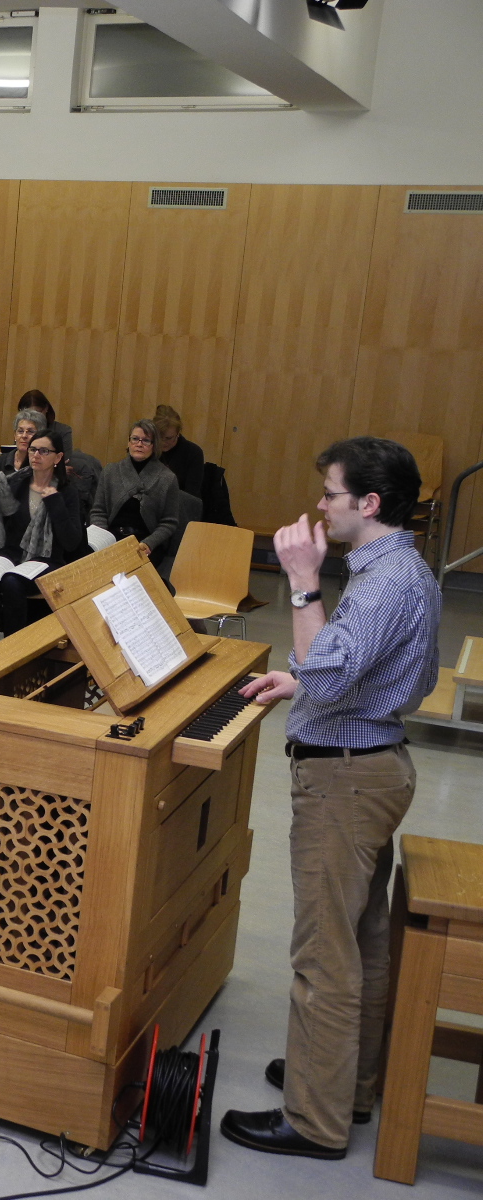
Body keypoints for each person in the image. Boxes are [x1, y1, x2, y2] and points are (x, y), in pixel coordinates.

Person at [221, 437, 440, 1162]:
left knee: (324, 952)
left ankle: (314, 1120)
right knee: (362, 938)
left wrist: (302, 583)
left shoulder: (383, 581)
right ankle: (347, 1085)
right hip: (373, 762)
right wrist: (301, 683)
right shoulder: (403, 567)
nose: (320, 506)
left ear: (368, 503)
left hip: (346, 781)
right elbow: (368, 671)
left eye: (330, 494)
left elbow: (332, 669)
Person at [0, 429, 86, 655]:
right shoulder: (16, 484)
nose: (36, 455)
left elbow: (71, 542)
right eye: (33, 450)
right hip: (12, 555)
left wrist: (55, 503)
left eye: (44, 451)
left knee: (12, 582)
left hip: (47, 560)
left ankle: (14, 656)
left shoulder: (67, 492)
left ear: (58, 457)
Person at [89, 419, 183, 567]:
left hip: (145, 543)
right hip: (112, 538)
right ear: (128, 442)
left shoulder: (167, 478)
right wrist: (102, 538)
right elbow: (98, 511)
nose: (139, 444)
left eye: (146, 440)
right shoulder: (111, 471)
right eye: (135, 439)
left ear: (154, 445)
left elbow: (169, 522)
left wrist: (149, 543)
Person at [153, 404, 205, 497]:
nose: (163, 442)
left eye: (168, 438)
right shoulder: (148, 448)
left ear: (178, 433)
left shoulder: (193, 453)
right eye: (159, 437)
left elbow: (191, 495)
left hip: (180, 503)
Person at [0, 408, 47, 475]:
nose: (24, 436)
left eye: (30, 431)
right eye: (20, 431)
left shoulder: (42, 463)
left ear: (40, 436)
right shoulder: (0, 462)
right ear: (15, 435)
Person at [16, 389, 73, 458]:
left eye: (36, 413)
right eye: (27, 413)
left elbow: (66, 460)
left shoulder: (62, 430)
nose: (31, 417)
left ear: (46, 408)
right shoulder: (22, 431)